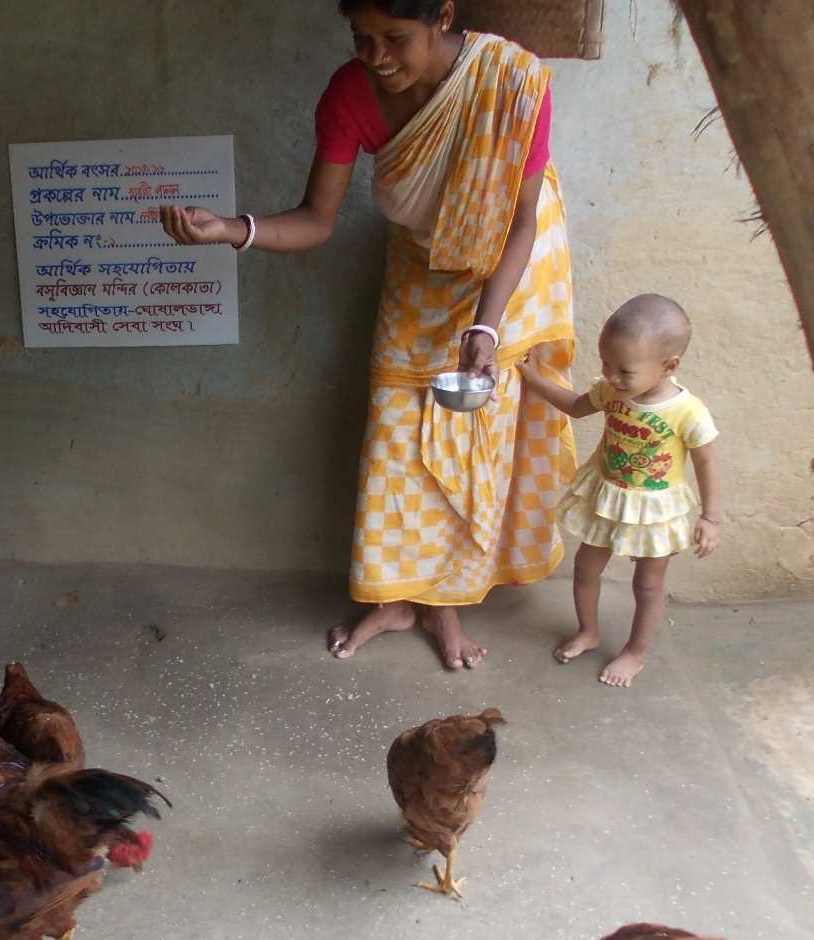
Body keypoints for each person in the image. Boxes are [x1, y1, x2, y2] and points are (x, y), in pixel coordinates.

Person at [161, 0, 577, 670]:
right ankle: (397, 596)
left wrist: (487, 324)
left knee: (475, 439)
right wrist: (232, 231)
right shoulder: (349, 93)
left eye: (395, 38)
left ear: (443, 15)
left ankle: (446, 605)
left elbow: (522, 221)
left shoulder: (511, 81)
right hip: (421, 265)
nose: (376, 57)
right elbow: (315, 221)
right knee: (396, 430)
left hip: (509, 272)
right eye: (361, 38)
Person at [515, 294, 722, 687]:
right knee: (586, 567)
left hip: (654, 508)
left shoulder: (687, 412)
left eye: (624, 370)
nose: (610, 376)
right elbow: (576, 406)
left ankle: (635, 652)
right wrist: (533, 379)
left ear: (669, 366)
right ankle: (588, 631)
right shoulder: (611, 391)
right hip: (608, 496)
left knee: (647, 584)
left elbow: (707, 462)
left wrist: (710, 517)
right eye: (605, 363)